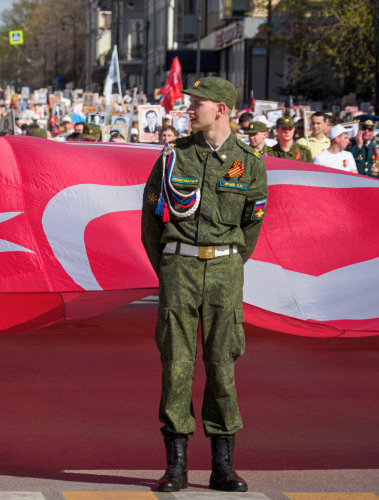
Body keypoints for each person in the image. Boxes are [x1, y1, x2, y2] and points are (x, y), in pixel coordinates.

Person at [141, 77, 267, 493]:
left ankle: (222, 467)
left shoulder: (248, 162)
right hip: (180, 269)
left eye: (197, 104)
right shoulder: (172, 157)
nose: (189, 110)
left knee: (222, 366)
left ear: (222, 110)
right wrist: (172, 267)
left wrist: (227, 262)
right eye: (189, 104)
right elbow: (149, 224)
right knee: (176, 365)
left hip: (225, 273)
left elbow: (252, 224)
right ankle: (176, 466)